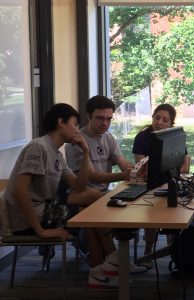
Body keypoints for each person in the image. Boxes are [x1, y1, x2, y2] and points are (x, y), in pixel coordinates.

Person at [2, 104, 114, 287]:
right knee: (90, 206)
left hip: (44, 211)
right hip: (27, 221)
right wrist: (40, 230)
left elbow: (79, 186)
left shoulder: (57, 154)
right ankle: (108, 261)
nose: (78, 130)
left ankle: (102, 266)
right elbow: (19, 190)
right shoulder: (39, 147)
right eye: (75, 124)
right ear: (61, 122)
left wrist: (86, 152)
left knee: (91, 200)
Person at [64, 95, 147, 287]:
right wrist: (124, 176)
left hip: (100, 195)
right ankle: (113, 260)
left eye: (109, 119)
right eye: (100, 118)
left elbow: (120, 160)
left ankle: (107, 265)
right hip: (81, 195)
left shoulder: (108, 137)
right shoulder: (76, 142)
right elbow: (90, 178)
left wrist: (132, 169)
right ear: (88, 117)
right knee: (93, 208)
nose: (105, 123)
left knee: (99, 206)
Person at [132, 103, 190, 263]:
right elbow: (141, 166)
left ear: (171, 123)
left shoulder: (174, 136)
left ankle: (173, 248)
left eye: (165, 120)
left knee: (174, 212)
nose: (159, 122)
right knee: (151, 214)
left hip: (171, 181)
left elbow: (185, 164)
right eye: (157, 118)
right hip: (149, 183)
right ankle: (148, 249)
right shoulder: (142, 137)